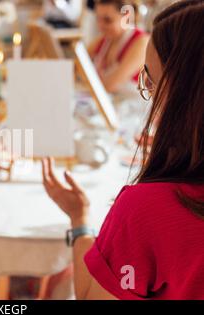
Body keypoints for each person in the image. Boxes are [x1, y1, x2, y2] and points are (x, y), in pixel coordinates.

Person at [42, 0, 204, 299]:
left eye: (151, 83)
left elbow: (91, 295)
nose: (150, 99)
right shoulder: (105, 43)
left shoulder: (146, 211)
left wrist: (80, 220)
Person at [88, 0, 149, 96]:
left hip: (134, 107)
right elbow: (78, 66)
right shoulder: (104, 40)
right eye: (98, 19)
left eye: (107, 20)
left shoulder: (141, 42)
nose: (100, 26)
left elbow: (111, 84)